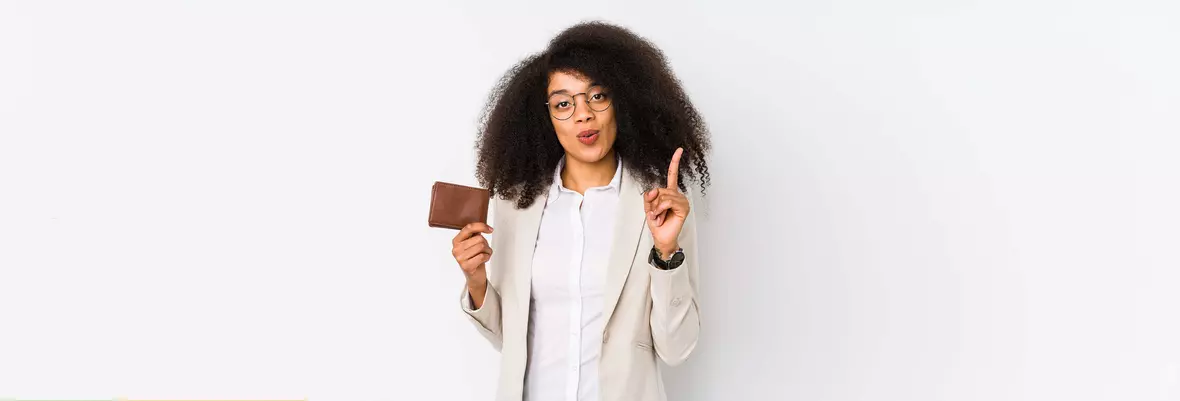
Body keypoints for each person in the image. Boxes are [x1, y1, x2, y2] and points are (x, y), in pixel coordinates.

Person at [450, 21, 712, 401]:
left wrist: (667, 254)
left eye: (598, 96)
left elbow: (677, 348)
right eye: (563, 103)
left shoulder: (660, 209)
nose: (583, 114)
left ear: (622, 101)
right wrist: (476, 281)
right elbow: (510, 341)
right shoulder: (516, 207)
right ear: (545, 118)